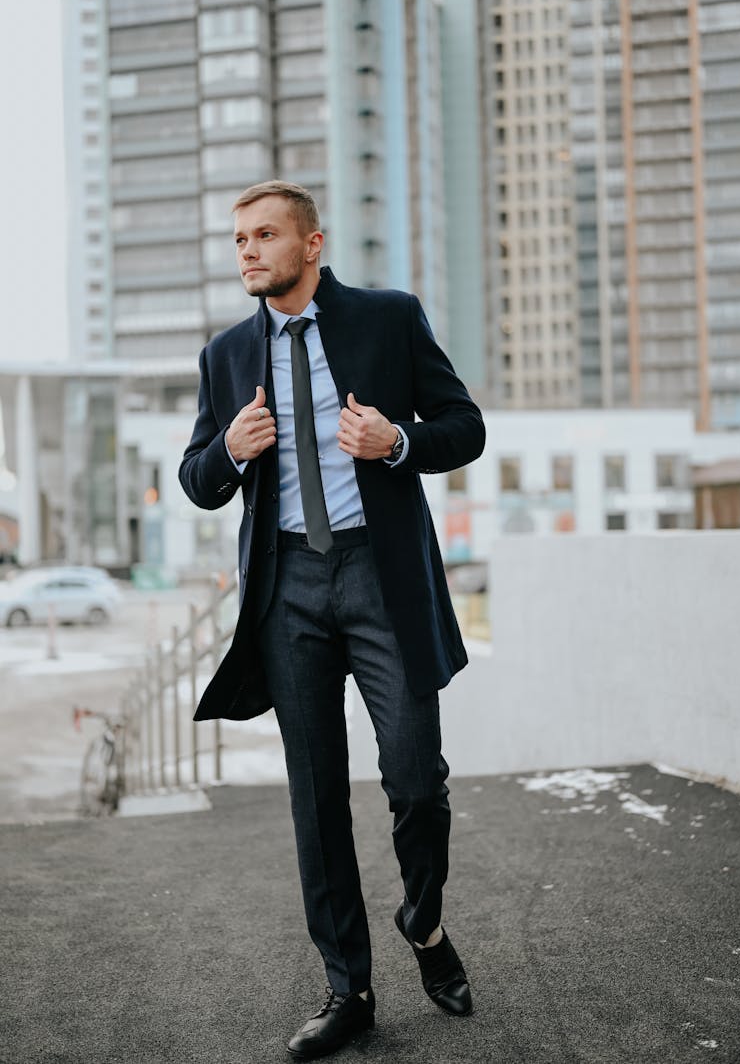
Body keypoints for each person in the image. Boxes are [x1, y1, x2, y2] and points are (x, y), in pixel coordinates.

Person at [179, 181, 485, 1060]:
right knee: (316, 802)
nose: (247, 251)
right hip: (290, 594)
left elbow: (466, 427)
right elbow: (197, 480)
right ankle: (346, 987)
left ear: (311, 245)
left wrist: (396, 442)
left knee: (416, 781)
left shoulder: (389, 318)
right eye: (238, 238)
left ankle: (423, 925)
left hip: (381, 580)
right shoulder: (227, 353)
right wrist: (228, 454)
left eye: (264, 235)